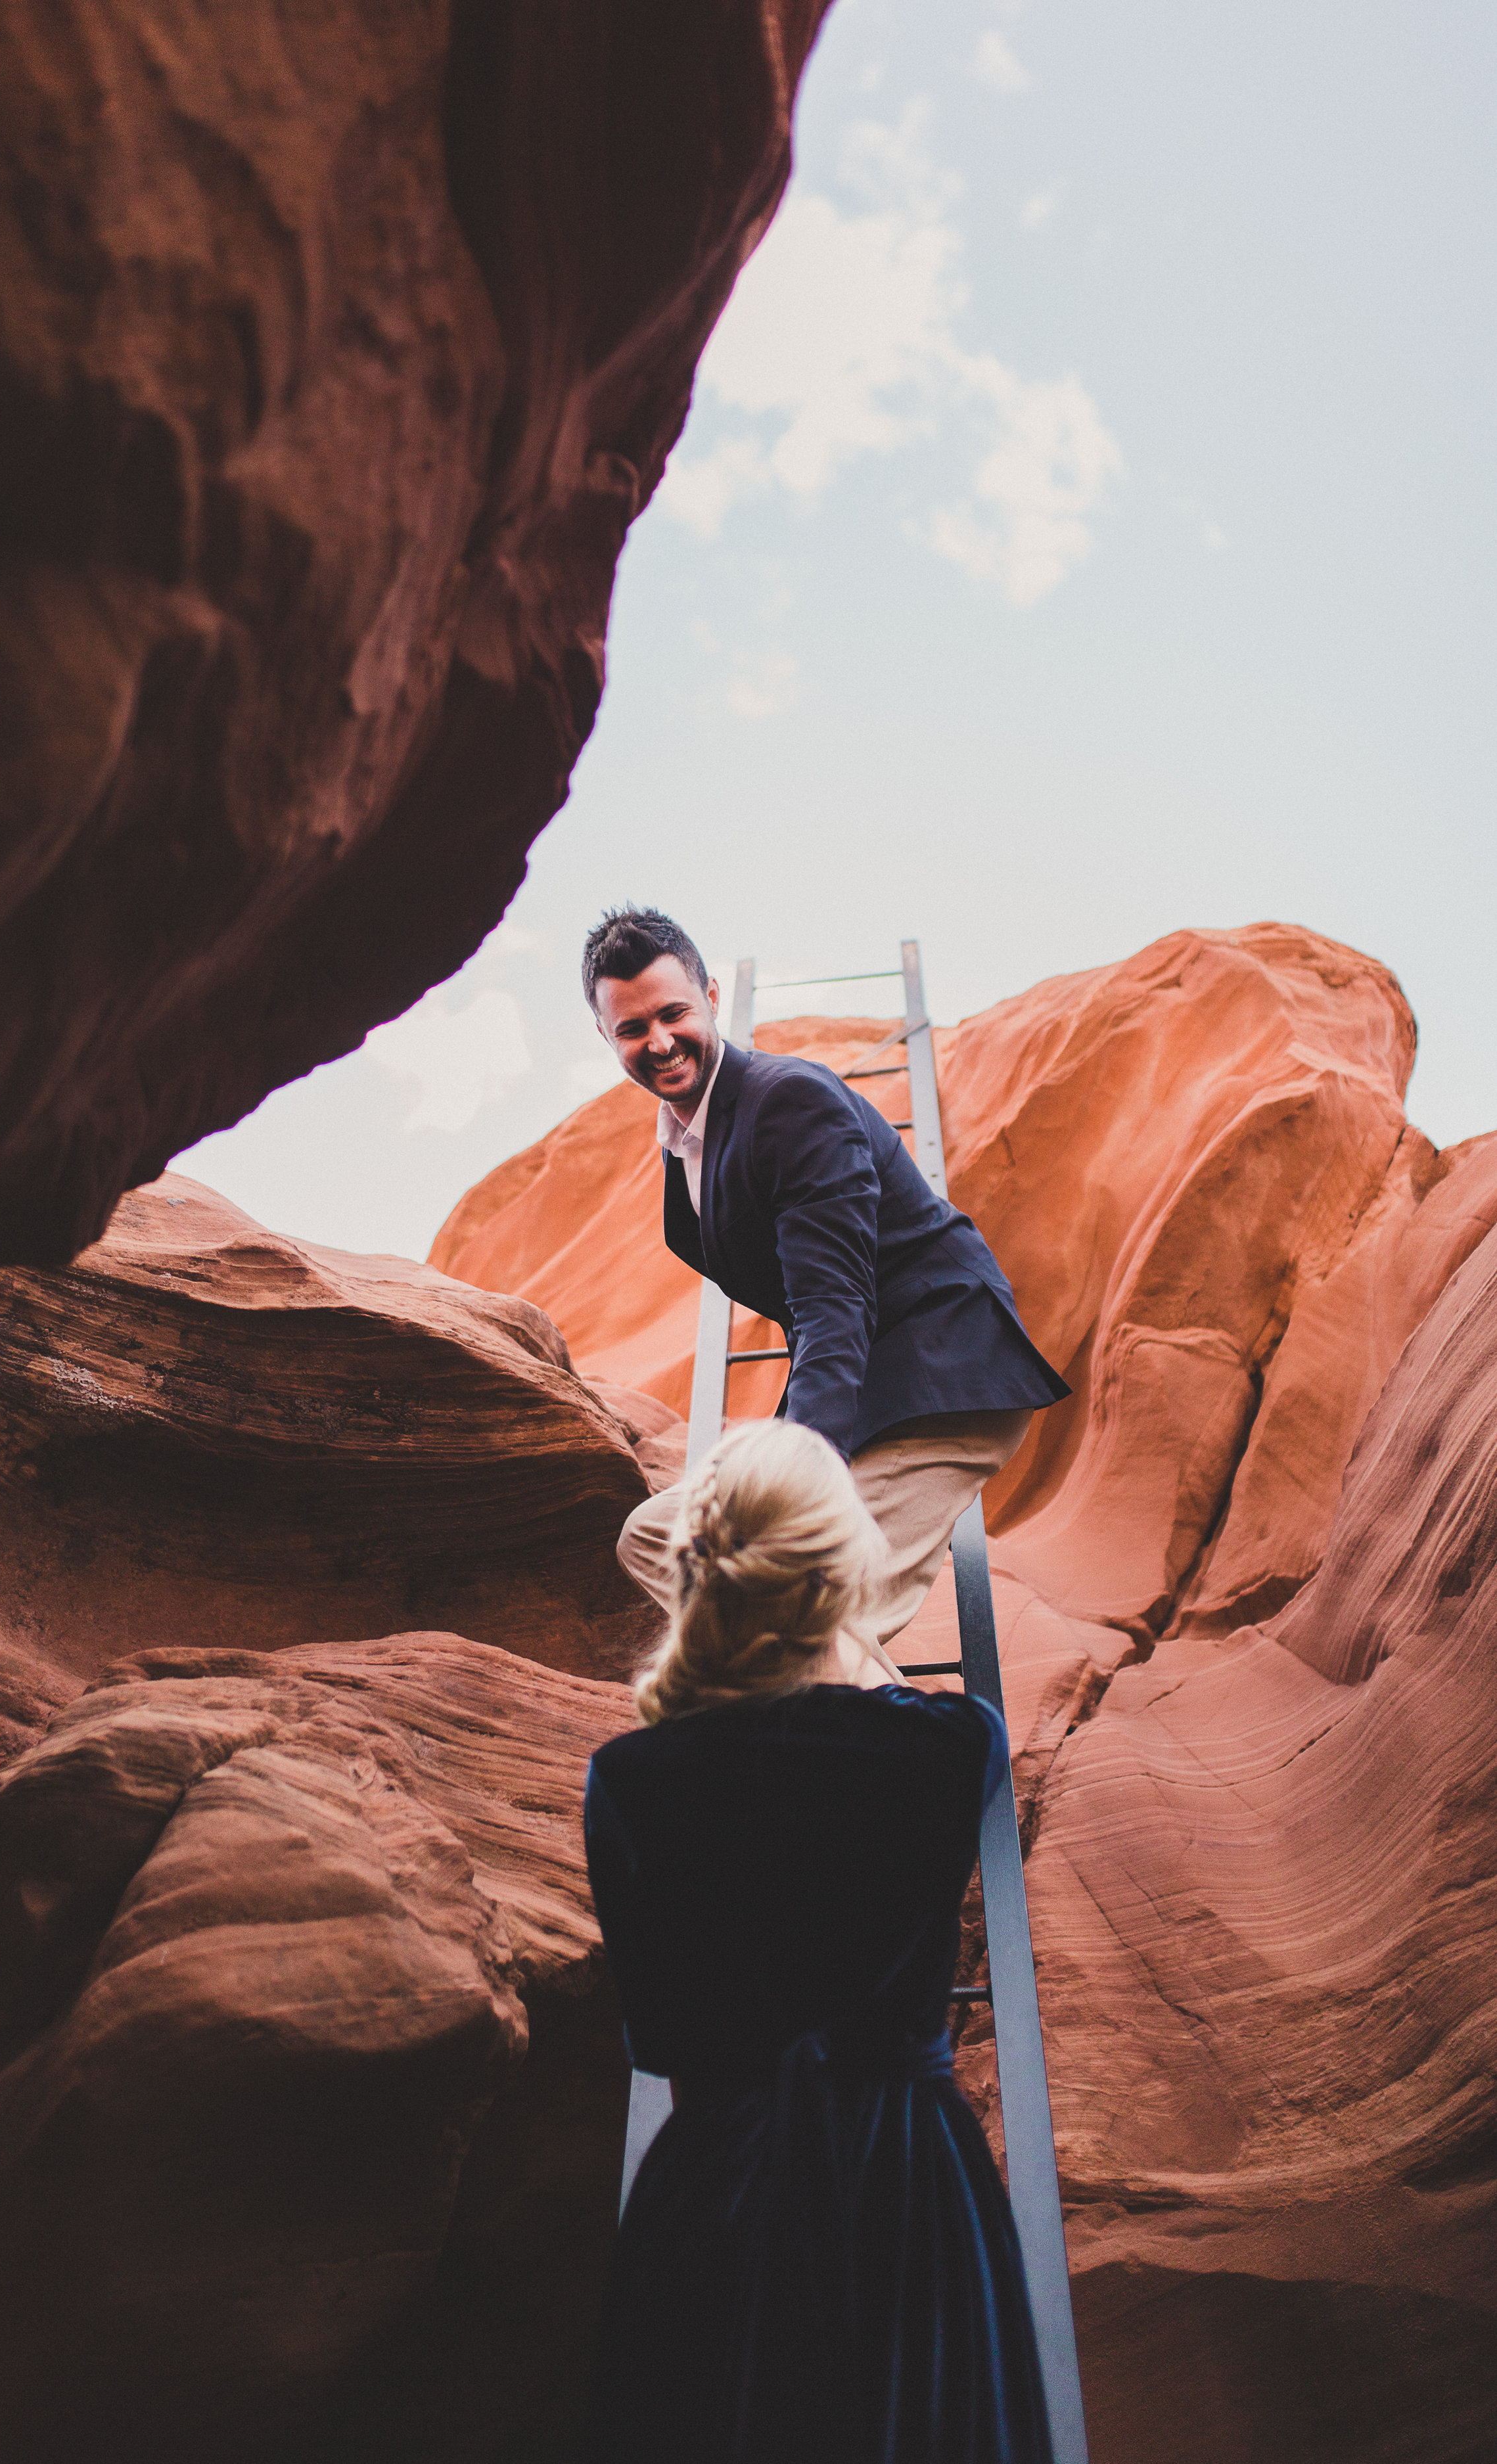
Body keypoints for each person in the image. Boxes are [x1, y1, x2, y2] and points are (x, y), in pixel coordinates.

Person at [580, 1419, 1055, 2464]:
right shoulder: (945, 1749)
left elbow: (657, 2037)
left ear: (698, 1577)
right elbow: (880, 1707)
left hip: (717, 2198)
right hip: (909, 2199)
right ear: (840, 1583)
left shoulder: (629, 1781)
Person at [582, 905, 1069, 1663]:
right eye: (632, 1028)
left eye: (673, 1012)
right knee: (657, 1537)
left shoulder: (787, 1102)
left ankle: (896, 1767)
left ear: (710, 994)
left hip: (933, 1377)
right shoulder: (688, 1156)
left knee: (803, 1612)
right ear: (609, 1039)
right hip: (871, 1387)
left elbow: (832, 1302)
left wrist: (799, 1476)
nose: (659, 1040)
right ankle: (854, 1741)